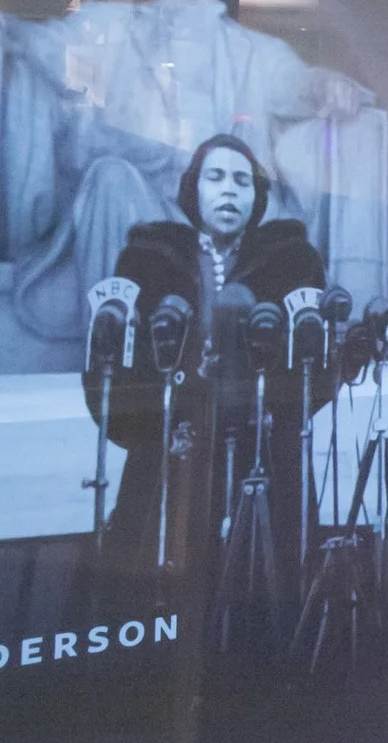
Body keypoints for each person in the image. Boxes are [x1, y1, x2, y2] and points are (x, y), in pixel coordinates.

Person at [4, 0, 388, 354]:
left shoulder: (250, 50)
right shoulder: (113, 25)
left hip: (232, 215)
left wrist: (325, 85)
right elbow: (48, 47)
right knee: (109, 180)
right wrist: (11, 34)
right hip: (147, 204)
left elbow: (294, 81)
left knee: (342, 145)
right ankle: (117, 360)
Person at [87, 135, 328, 585]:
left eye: (242, 180)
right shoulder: (150, 259)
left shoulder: (290, 261)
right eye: (215, 177)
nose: (229, 190)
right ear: (193, 189)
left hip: (261, 461)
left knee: (257, 584)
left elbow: (311, 372)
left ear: (256, 196)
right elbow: (119, 373)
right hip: (170, 458)